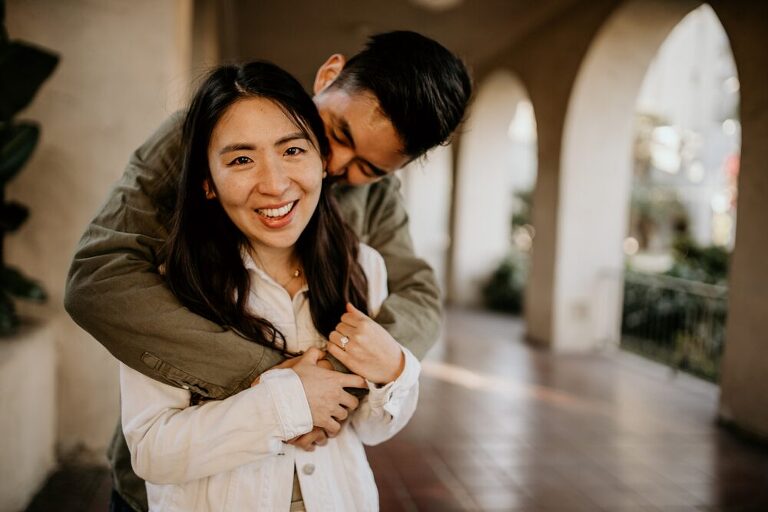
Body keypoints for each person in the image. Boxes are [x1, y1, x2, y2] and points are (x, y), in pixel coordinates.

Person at [64, 31, 471, 512]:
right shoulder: (204, 134)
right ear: (329, 75)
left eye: (370, 166)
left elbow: (417, 295)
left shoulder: (374, 210)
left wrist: (338, 378)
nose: (335, 164)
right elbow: (101, 276)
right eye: (339, 134)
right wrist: (278, 383)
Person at [119, 60, 420, 511]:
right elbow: (151, 450)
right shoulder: (168, 282)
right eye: (241, 159)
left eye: (293, 151)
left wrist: (395, 370)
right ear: (207, 183)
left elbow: (375, 429)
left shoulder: (363, 267)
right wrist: (286, 405)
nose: (275, 184)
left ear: (322, 161)